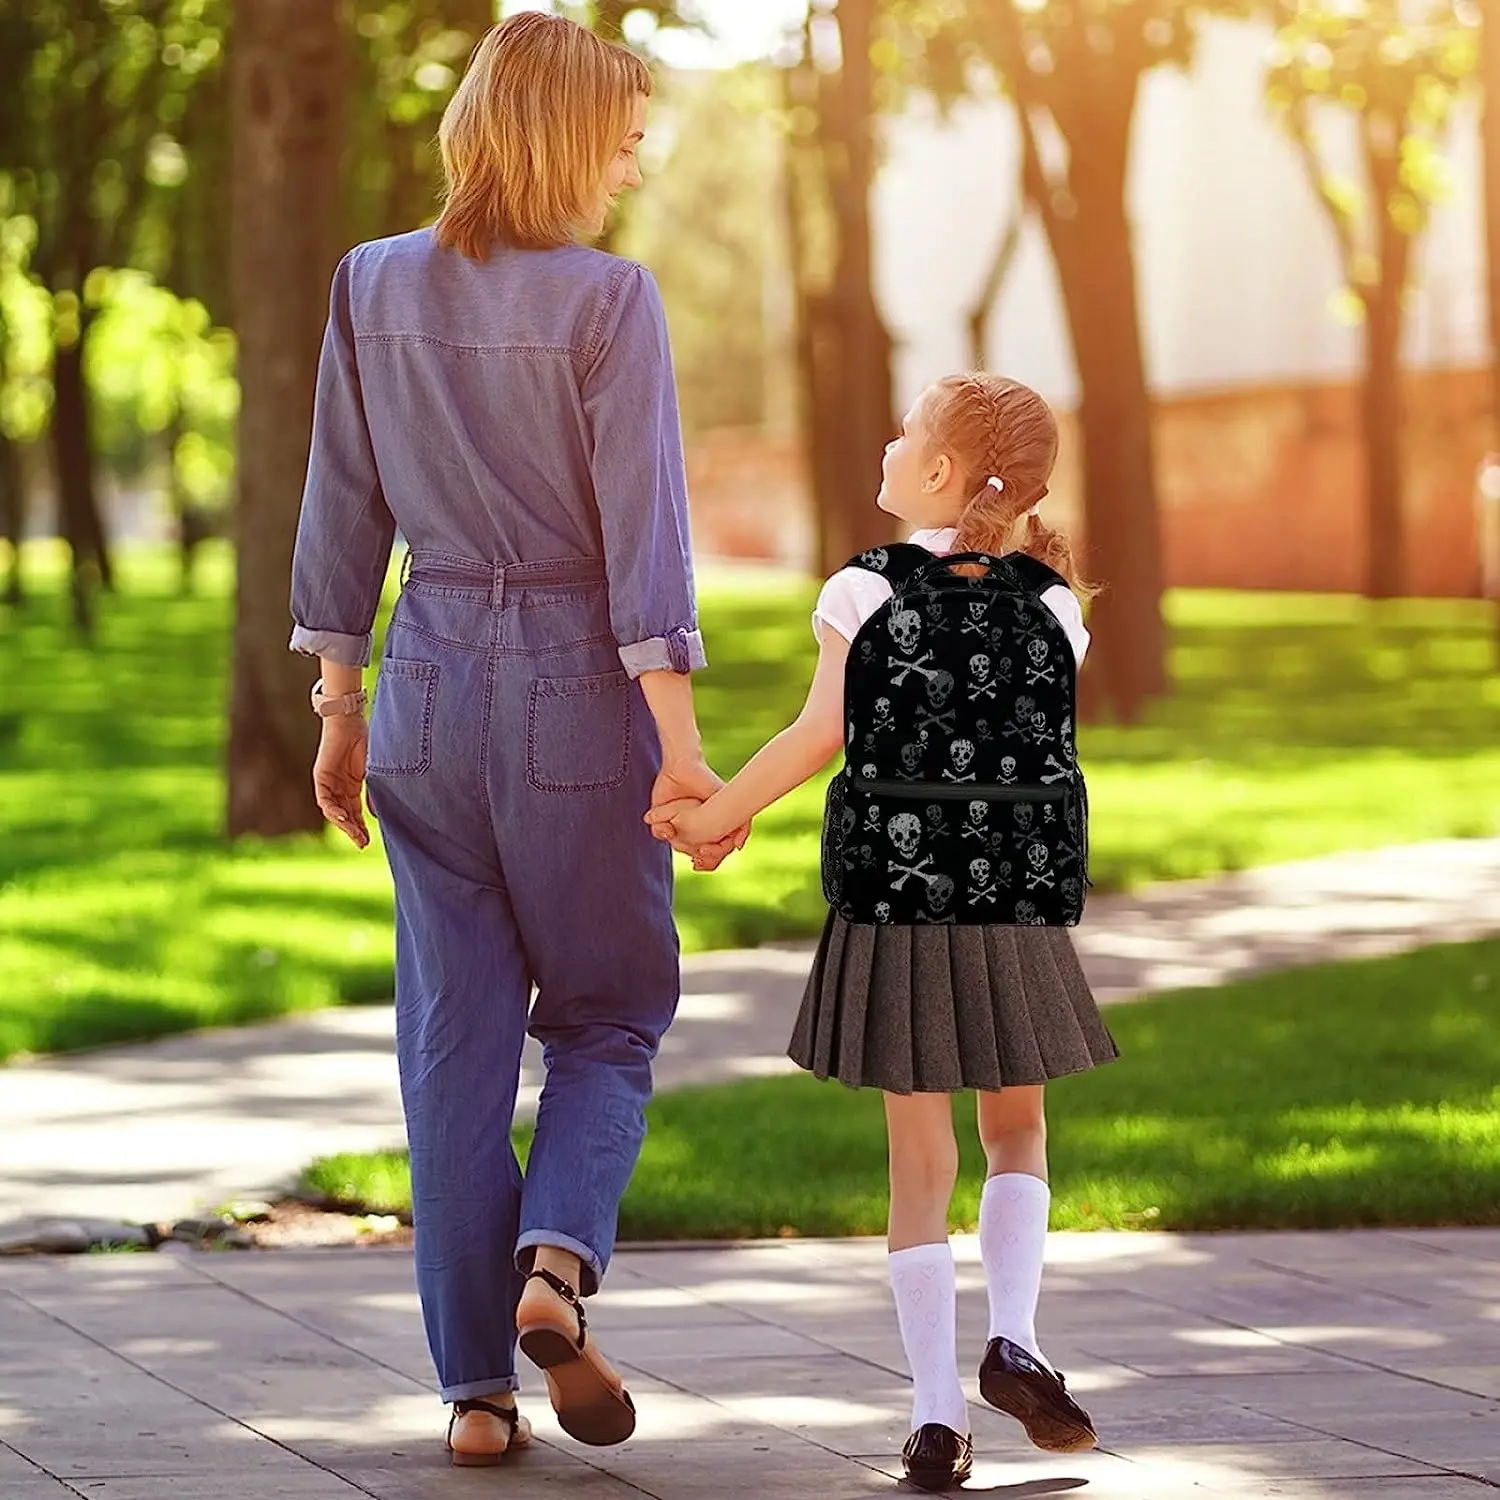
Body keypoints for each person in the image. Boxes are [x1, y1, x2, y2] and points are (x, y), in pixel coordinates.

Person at [287, 12, 745, 1467]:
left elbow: (340, 509)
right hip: (573, 692)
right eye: (619, 136)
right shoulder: (612, 302)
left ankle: (475, 1395)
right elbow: (644, 548)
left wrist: (339, 705)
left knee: (455, 1045)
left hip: (422, 684)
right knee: (610, 1014)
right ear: (559, 137)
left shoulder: (369, 284)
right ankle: (556, 1269)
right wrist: (681, 750)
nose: (632, 160)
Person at [649, 374, 1119, 1492]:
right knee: (1018, 1134)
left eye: (906, 432)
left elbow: (821, 734)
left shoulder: (863, 590)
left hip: (898, 898)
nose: (889, 442)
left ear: (944, 474)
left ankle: (937, 1416)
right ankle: (1018, 1337)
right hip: (1012, 901)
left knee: (920, 1165)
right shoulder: (1056, 604)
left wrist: (715, 816)